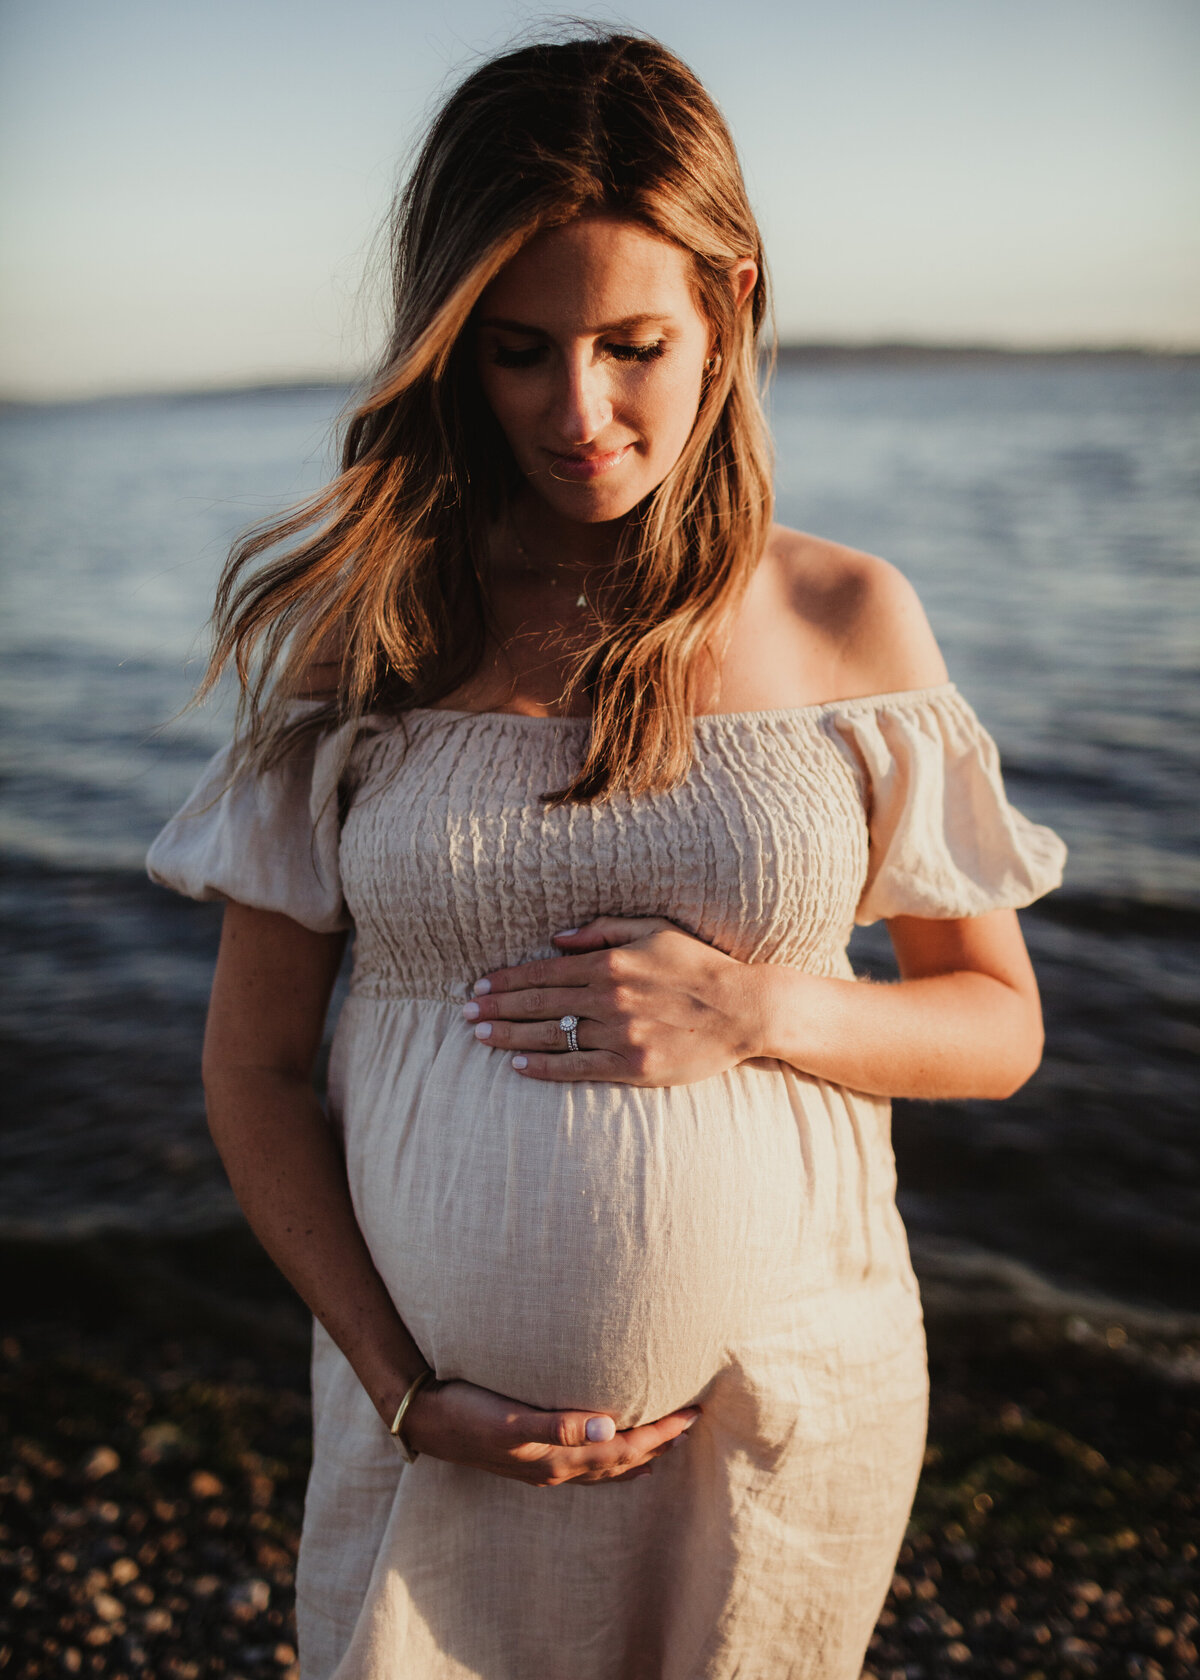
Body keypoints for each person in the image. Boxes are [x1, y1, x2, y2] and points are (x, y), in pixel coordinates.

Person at [147, 30, 1066, 1680]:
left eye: (634, 343)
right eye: (515, 353)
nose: (578, 413)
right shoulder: (367, 640)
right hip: (441, 1448)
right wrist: (404, 1389)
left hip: (790, 1413)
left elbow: (996, 1024)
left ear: (731, 299)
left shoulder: (846, 616)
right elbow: (255, 1068)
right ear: (452, 348)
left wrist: (763, 1011)